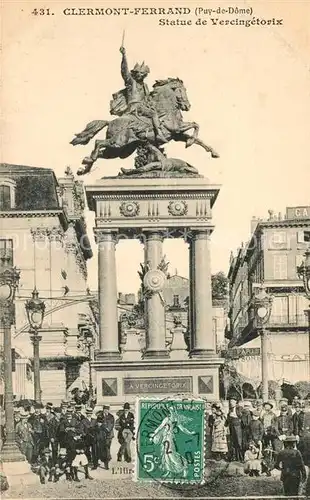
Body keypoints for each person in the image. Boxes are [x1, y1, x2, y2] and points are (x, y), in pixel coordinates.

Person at [119, 46, 167, 144]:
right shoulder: (131, 82)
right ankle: (159, 134)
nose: (140, 75)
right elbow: (124, 71)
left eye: (143, 73)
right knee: (153, 114)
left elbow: (148, 99)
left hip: (143, 107)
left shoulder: (145, 86)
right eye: (139, 73)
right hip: (135, 107)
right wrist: (124, 56)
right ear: (135, 74)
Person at [97, 405, 115, 470]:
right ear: (103, 409)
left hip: (109, 435)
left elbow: (112, 424)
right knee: (104, 448)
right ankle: (106, 461)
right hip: (102, 435)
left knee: (107, 447)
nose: (105, 411)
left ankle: (106, 459)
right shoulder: (99, 415)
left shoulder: (111, 416)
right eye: (104, 409)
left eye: (107, 409)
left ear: (108, 410)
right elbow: (98, 424)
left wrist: (108, 429)